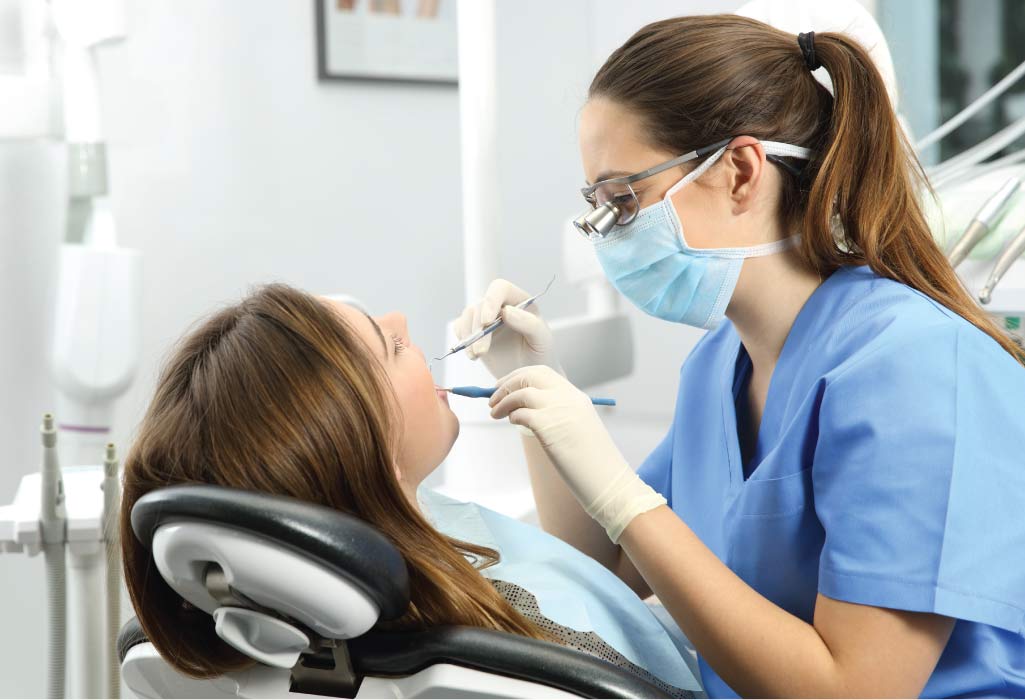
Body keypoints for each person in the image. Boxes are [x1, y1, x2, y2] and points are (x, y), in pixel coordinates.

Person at [456, 14, 1025, 699]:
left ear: (739, 171)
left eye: (623, 201)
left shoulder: (915, 366)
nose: (604, 237)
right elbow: (605, 562)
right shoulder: (717, 365)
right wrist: (534, 385)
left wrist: (621, 494)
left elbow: (854, 691)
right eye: (596, 207)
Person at [120, 283, 700, 696]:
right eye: (388, 346)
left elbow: (584, 567)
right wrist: (622, 498)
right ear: (372, 465)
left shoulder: (311, 598)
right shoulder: (532, 645)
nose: (399, 318)